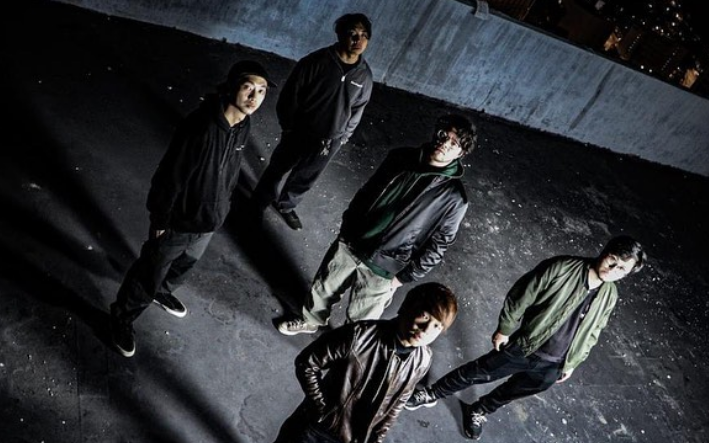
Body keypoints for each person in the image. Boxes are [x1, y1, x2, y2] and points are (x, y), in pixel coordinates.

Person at [217, 283, 458, 443]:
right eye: (424, 316)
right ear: (407, 307)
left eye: (437, 326)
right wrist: (322, 408)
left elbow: (397, 402)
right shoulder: (360, 335)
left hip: (349, 438)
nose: (426, 330)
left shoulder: (422, 359)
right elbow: (307, 363)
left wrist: (376, 441)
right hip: (315, 425)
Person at [405, 236, 646, 441]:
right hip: (525, 346)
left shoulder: (610, 295)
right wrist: (505, 329)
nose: (613, 270)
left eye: (622, 269)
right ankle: (433, 393)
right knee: (478, 372)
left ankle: (479, 410)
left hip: (554, 364)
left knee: (512, 391)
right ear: (605, 252)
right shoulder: (562, 267)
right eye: (612, 260)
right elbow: (522, 295)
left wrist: (572, 363)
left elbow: (594, 331)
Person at [109, 60, 275, 357]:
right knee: (150, 272)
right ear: (231, 87)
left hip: (210, 219)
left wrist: (223, 206)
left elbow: (231, 170)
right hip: (180, 220)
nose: (254, 97)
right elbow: (170, 175)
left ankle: (162, 292)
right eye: (248, 88)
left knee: (184, 265)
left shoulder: (243, 125)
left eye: (261, 91)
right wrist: (160, 219)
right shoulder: (201, 127)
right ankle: (120, 318)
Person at [276, 114, 476, 336]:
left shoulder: (454, 198)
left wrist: (404, 277)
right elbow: (368, 191)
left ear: (461, 153)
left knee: (362, 318)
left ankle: (348, 346)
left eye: (454, 143)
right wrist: (348, 224)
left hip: (386, 264)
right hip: (353, 241)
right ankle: (310, 321)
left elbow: (439, 246)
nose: (445, 143)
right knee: (323, 288)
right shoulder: (400, 156)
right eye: (443, 135)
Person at [251, 13, 374, 230]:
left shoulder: (364, 76)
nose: (358, 40)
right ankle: (257, 204)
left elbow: (358, 109)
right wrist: (289, 126)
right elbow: (290, 95)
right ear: (339, 34)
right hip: (300, 131)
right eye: (352, 34)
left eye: (364, 35)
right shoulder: (316, 62)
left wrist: (343, 136)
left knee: (306, 176)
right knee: (278, 168)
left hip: (329, 140)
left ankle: (286, 206)